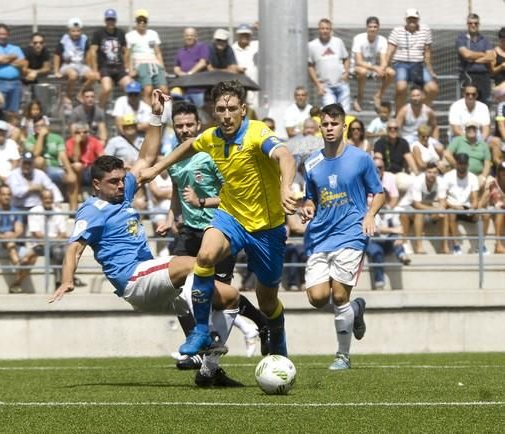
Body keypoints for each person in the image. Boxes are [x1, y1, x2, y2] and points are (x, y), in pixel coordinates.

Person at [49, 144, 243, 388]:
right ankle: (203, 335)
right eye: (113, 181)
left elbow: (147, 157)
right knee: (192, 264)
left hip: (152, 279)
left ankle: (209, 372)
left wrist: (157, 114)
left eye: (122, 180)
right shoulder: (91, 211)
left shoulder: (123, 194)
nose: (121, 185)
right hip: (133, 280)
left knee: (230, 297)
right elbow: (73, 249)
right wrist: (67, 279)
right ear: (97, 184)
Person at [138, 80, 297, 358]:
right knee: (205, 257)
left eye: (232, 109)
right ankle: (200, 331)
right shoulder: (212, 137)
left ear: (243, 110)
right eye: (221, 109)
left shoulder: (257, 133)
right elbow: (189, 145)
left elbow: (285, 156)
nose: (226, 115)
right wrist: (157, 168)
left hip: (266, 227)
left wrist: (286, 186)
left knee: (267, 300)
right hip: (231, 217)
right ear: (214, 111)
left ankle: (277, 329)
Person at [300, 103, 384, 370]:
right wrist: (307, 206)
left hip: (351, 233)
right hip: (319, 236)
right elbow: (309, 197)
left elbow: (379, 192)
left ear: (343, 126)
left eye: (334, 124)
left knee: (338, 297)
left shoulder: (361, 158)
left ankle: (343, 355)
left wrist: (370, 215)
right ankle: (356, 309)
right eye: (325, 124)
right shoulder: (311, 161)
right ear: (320, 126)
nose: (329, 128)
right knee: (316, 297)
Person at [386, 9, 438, 112]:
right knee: (401, 87)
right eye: (410, 18)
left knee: (433, 89)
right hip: (401, 63)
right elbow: (389, 50)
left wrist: (430, 69)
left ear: (418, 19)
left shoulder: (425, 30)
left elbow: (427, 51)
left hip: (418, 64)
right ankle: (399, 113)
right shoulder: (397, 30)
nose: (412, 21)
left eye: (414, 18)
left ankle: (419, 111)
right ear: (406, 19)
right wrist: (384, 66)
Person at [0, 184, 36, 293]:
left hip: (13, 245)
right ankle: (19, 265)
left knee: (33, 255)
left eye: (9, 194)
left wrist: (11, 236)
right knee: (10, 244)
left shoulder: (16, 211)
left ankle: (16, 283)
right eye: (4, 194)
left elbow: (19, 230)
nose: (6, 197)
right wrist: (5, 237)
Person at [398, 161, 449, 254]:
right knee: (419, 213)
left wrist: (440, 210)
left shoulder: (441, 182)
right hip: (408, 207)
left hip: (427, 208)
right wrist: (436, 209)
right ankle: (419, 246)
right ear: (425, 172)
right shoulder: (417, 181)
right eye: (429, 172)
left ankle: (444, 246)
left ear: (437, 173)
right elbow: (417, 205)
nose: (432, 175)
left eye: (434, 172)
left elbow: (443, 202)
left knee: (444, 214)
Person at [88, 9, 131, 109]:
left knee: (131, 88)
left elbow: (126, 51)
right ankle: (98, 111)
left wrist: (127, 67)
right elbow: (93, 52)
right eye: (108, 19)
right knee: (107, 89)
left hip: (119, 67)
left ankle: (129, 113)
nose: (110, 22)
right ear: (105, 20)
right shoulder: (98, 33)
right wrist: (95, 70)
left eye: (112, 19)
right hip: (105, 67)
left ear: (115, 20)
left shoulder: (120, 33)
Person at [125, 10, 168, 104]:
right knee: (148, 90)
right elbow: (128, 55)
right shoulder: (130, 36)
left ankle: (165, 115)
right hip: (141, 63)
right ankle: (149, 115)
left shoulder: (153, 34)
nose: (142, 23)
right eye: (139, 21)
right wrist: (129, 70)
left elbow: (158, 53)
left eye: (144, 21)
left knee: (164, 90)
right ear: (136, 22)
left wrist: (162, 67)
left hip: (155, 63)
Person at [351, 16, 394, 111]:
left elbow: (383, 60)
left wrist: (382, 69)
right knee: (363, 71)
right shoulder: (358, 38)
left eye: (375, 27)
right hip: (357, 67)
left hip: (373, 68)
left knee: (391, 73)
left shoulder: (382, 40)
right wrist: (376, 68)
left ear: (378, 28)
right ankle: (359, 97)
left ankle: (378, 95)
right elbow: (358, 61)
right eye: (370, 27)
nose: (372, 29)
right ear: (366, 27)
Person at [308, 19, 351, 112]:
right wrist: (318, 84)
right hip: (326, 87)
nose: (325, 31)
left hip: (342, 84)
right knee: (331, 113)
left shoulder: (338, 42)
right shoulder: (312, 45)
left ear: (331, 30)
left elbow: (346, 58)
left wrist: (346, 73)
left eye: (327, 28)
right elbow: (310, 66)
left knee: (345, 113)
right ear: (318, 29)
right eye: (322, 28)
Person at [27, 189, 68, 285]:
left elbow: (63, 233)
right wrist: (55, 239)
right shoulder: (34, 211)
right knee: (58, 251)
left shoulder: (58, 211)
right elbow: (36, 234)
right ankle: (63, 280)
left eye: (50, 198)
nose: (48, 200)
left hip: (55, 243)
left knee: (67, 249)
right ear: (41, 199)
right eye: (45, 198)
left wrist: (51, 240)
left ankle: (65, 279)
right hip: (39, 244)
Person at [24, 116, 73, 196]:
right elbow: (35, 154)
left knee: (71, 179)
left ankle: (74, 207)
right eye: (36, 126)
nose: (39, 128)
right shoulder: (30, 139)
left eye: (42, 126)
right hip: (37, 170)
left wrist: (70, 172)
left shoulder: (57, 138)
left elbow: (63, 156)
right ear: (33, 128)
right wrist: (41, 136)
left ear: (47, 126)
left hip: (54, 167)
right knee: (39, 160)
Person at [444, 153, 480, 255]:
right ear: (456, 164)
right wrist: (453, 206)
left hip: (467, 207)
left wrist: (472, 208)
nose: (462, 166)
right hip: (453, 207)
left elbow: (475, 198)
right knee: (451, 213)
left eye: (464, 163)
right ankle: (455, 245)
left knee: (484, 215)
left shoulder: (473, 177)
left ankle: (481, 245)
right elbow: (442, 199)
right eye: (460, 163)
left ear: (468, 164)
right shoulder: (448, 176)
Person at [54, 18, 98, 102]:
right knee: (73, 75)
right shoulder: (64, 39)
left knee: (93, 76)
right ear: (69, 31)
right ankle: (68, 95)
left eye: (78, 31)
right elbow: (57, 55)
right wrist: (56, 71)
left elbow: (88, 54)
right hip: (68, 65)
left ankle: (80, 94)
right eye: (73, 31)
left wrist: (90, 68)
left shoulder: (84, 39)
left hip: (81, 64)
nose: (76, 33)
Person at [65, 121, 104, 210]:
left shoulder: (94, 141)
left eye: (85, 132)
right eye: (78, 132)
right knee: (77, 166)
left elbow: (102, 156)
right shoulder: (70, 142)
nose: (82, 134)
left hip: (91, 170)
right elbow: (75, 158)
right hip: (77, 172)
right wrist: (77, 143)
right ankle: (78, 192)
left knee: (100, 168)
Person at [0, 23, 26, 114]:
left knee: (13, 112)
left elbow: (23, 63)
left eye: (4, 34)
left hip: (15, 83)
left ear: (8, 35)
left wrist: (4, 59)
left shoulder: (16, 48)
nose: (2, 36)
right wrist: (13, 57)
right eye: (0, 34)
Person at [456, 13, 493, 105]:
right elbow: (466, 54)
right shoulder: (461, 39)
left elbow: (491, 57)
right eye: (470, 23)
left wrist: (474, 58)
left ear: (478, 24)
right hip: (468, 75)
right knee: (468, 102)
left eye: (476, 23)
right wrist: (483, 54)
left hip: (483, 76)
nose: (473, 25)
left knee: (484, 103)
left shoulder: (485, 40)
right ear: (467, 24)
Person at [373, 119, 418, 192]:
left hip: (398, 173)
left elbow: (409, 158)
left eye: (395, 128)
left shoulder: (403, 143)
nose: (392, 130)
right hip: (385, 174)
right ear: (386, 130)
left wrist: (417, 174)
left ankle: (404, 203)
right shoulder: (379, 143)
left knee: (413, 183)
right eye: (390, 128)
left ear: (399, 130)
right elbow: (378, 160)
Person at [445, 122, 491, 187]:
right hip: (460, 173)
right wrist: (457, 166)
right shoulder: (458, 140)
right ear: (465, 130)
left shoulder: (483, 145)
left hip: (478, 175)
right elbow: (447, 154)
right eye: (469, 128)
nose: (471, 130)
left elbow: (487, 164)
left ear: (477, 130)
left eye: (474, 128)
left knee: (490, 182)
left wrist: (483, 177)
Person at [173, 27, 209, 108]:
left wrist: (190, 73)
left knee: (201, 112)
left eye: (191, 35)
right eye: (187, 35)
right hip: (184, 89)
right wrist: (181, 73)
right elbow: (176, 67)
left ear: (196, 37)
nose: (189, 37)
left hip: (198, 89)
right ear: (183, 37)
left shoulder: (201, 47)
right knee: (186, 112)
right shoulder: (180, 51)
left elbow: (203, 62)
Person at [479, 162, 505, 253]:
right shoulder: (493, 183)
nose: (504, 173)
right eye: (502, 171)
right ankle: (498, 244)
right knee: (500, 212)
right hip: (493, 208)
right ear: (499, 172)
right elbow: (498, 203)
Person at [232, 24, 259, 108]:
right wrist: (236, 68)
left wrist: (260, 29)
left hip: (254, 84)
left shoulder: (255, 45)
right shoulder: (232, 48)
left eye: (247, 34)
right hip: (239, 84)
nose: (244, 37)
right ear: (238, 35)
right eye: (242, 34)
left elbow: (269, 41)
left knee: (254, 108)